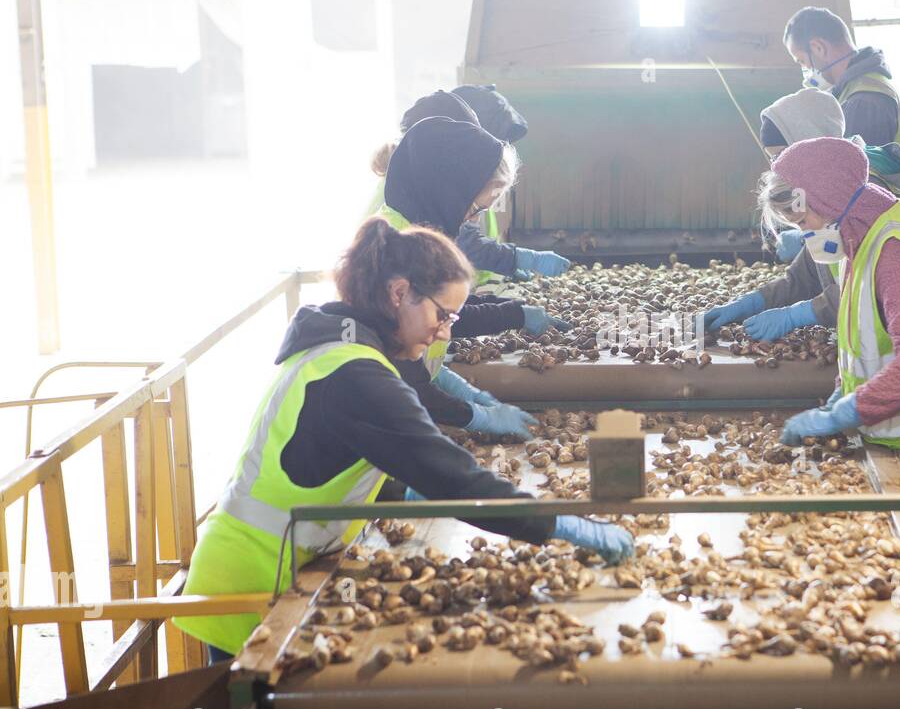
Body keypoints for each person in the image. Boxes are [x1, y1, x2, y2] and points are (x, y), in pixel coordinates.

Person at [174, 219, 634, 662]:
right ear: (399, 293)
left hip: (280, 566)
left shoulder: (340, 346)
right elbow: (451, 474)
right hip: (253, 583)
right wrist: (560, 526)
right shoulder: (356, 373)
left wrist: (396, 488)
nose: (446, 331)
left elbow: (325, 457)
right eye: (443, 314)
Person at [759, 137, 900, 466]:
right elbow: (865, 342)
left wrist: (843, 414)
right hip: (894, 440)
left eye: (803, 222)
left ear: (825, 198)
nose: (806, 234)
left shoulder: (895, 253)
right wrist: (840, 394)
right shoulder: (858, 239)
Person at [380, 115, 578, 438]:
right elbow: (401, 377)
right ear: (449, 191)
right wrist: (476, 415)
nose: (470, 219)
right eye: (472, 207)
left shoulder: (417, 233)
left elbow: (432, 329)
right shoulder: (399, 249)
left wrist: (446, 379)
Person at [702, 89, 900, 343]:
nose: (777, 167)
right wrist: (754, 302)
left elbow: (867, 291)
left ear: (811, 147)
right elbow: (806, 276)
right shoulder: (826, 198)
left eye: (781, 156)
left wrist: (798, 315)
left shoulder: (860, 195)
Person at [369, 86, 569, 282]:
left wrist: (513, 265)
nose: (472, 219)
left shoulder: (431, 211)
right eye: (475, 208)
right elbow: (428, 306)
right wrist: (518, 263)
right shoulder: (399, 243)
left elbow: (466, 248)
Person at [782, 6, 900, 221]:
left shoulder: (865, 101)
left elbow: (855, 191)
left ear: (818, 47)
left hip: (890, 234)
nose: (806, 72)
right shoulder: (860, 89)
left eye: (803, 62)